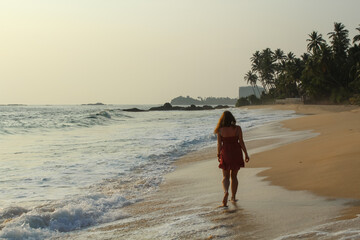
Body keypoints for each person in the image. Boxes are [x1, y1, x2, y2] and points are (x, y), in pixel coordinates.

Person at [214, 111, 250, 207]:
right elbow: (241, 142)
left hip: (225, 152)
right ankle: (233, 197)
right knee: (234, 176)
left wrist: (218, 154)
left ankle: (226, 191)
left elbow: (219, 144)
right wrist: (246, 154)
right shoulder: (237, 128)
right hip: (236, 152)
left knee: (225, 176)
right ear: (232, 119)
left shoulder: (220, 130)